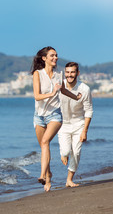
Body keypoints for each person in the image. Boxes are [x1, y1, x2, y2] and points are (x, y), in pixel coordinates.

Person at [31, 46, 81, 192]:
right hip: (39, 116)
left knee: (45, 141)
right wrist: (52, 92)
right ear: (44, 58)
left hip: (55, 115)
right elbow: (37, 96)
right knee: (43, 146)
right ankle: (48, 175)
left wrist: (75, 96)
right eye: (52, 56)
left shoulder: (59, 75)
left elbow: (63, 90)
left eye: (56, 55)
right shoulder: (37, 74)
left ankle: (42, 175)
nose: (55, 58)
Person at [58, 62, 93, 187]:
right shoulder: (59, 86)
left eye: (72, 72)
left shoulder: (84, 89)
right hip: (62, 125)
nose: (69, 75)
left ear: (77, 73)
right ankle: (64, 153)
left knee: (76, 152)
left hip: (78, 124)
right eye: (67, 72)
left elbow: (88, 110)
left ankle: (69, 180)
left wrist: (85, 131)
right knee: (66, 150)